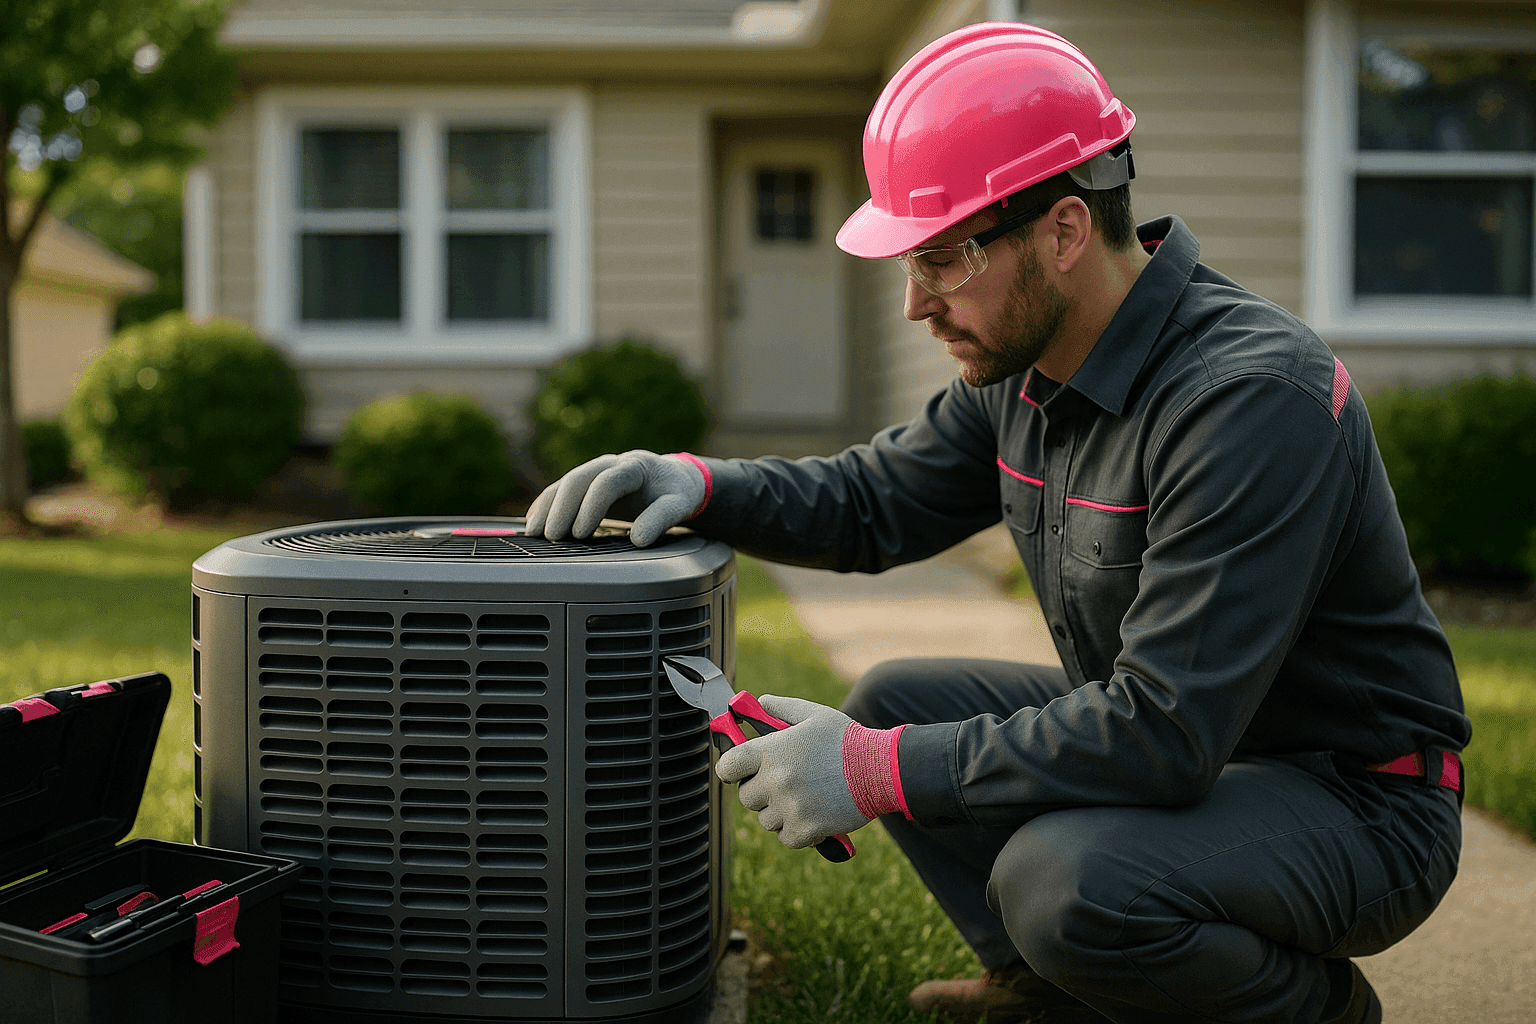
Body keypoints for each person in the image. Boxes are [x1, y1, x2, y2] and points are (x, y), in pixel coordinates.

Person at [527, 22, 1469, 1024]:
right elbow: (869, 499)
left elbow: (1163, 731)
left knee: (1062, 881)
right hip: (1207, 751)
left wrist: (875, 771)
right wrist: (700, 481)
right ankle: (1043, 995)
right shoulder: (1024, 366)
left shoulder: (1247, 399)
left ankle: (1316, 1012)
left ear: (1062, 232)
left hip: (1357, 799)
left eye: (940, 259)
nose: (913, 304)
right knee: (898, 697)